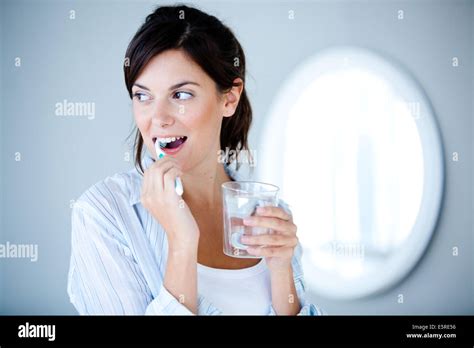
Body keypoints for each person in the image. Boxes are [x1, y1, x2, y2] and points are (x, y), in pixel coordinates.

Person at [67, 4, 323, 315]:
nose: (157, 118)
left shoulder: (270, 213)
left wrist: (282, 269)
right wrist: (181, 242)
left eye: (181, 95)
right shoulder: (104, 213)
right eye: (142, 96)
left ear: (229, 97)